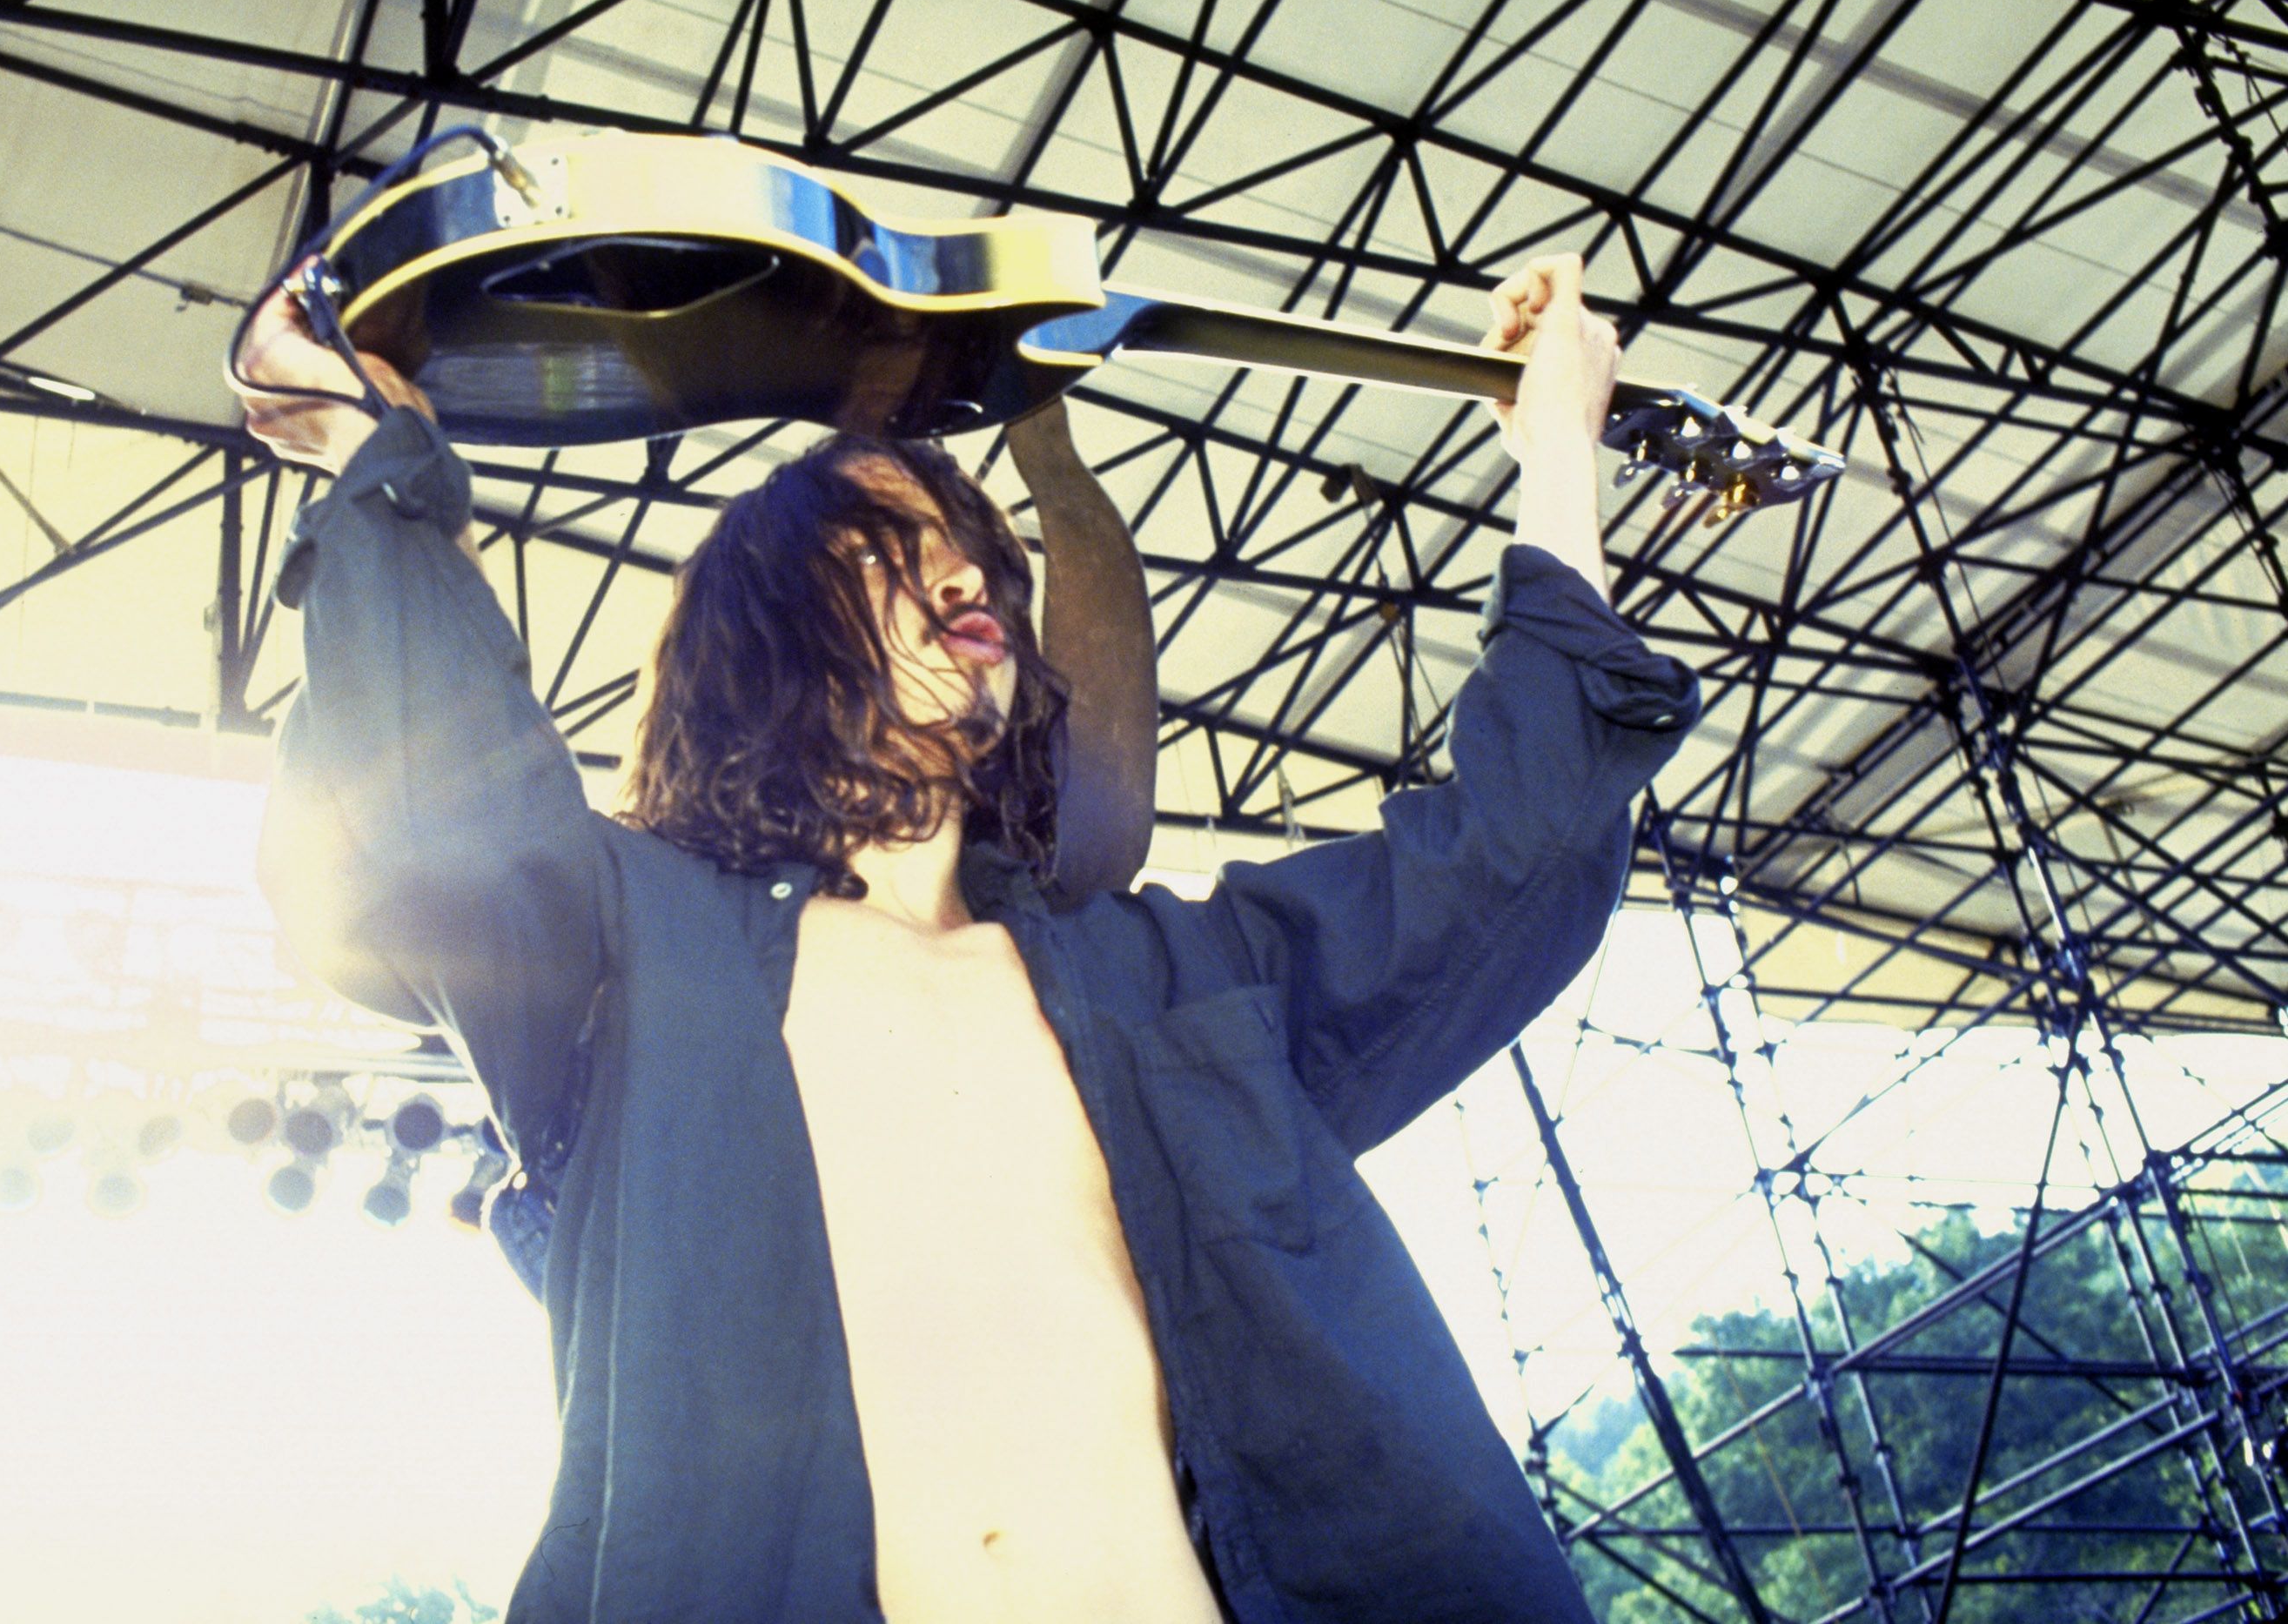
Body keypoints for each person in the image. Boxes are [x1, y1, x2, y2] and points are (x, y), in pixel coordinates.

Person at [238, 252, 1698, 1624]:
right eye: (888, 550)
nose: (964, 577)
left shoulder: (1176, 984)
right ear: (767, 629)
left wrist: (1558, 455)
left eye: (978, 555)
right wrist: (377, 467)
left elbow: (1515, 857)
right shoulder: (635, 952)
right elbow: (427, 819)